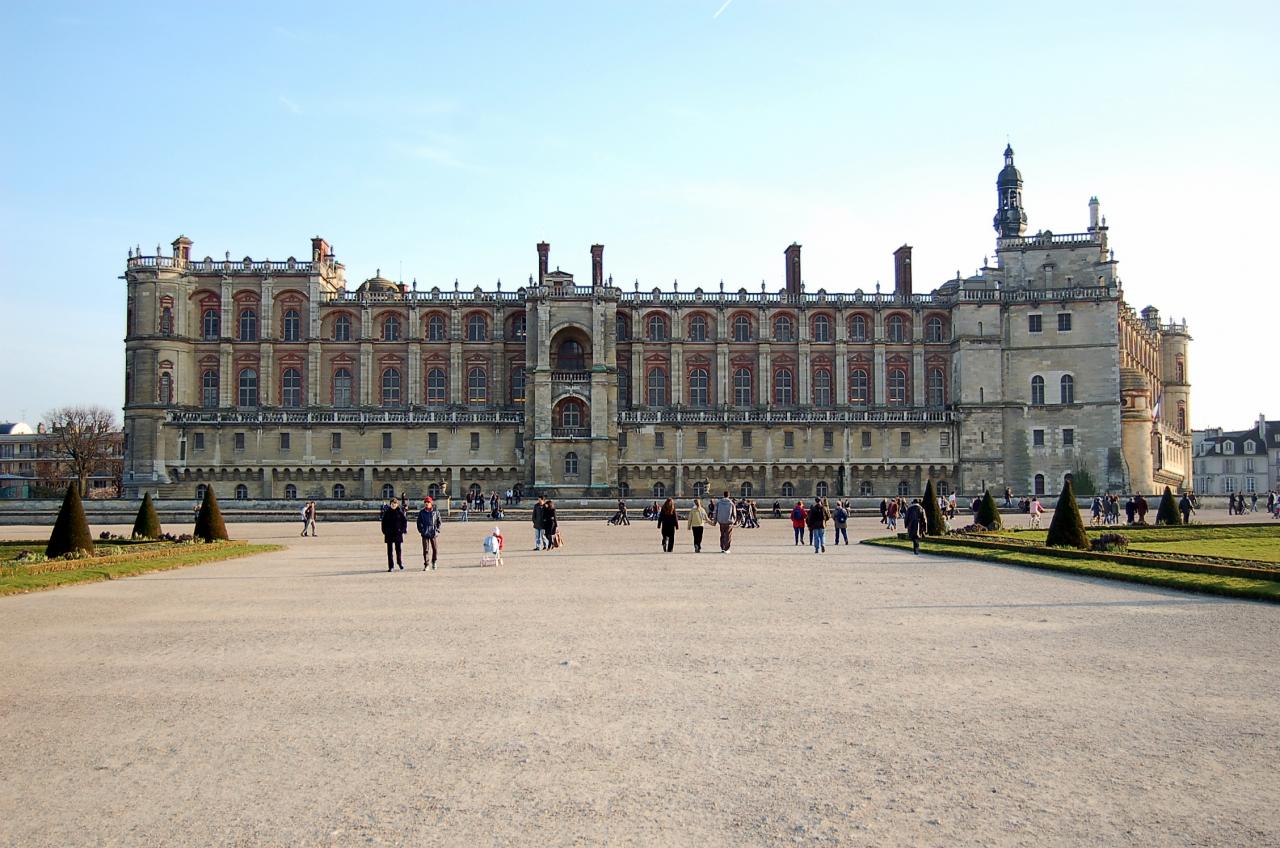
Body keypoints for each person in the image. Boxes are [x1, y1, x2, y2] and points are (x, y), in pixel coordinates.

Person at [381, 497, 407, 571]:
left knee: (398, 550)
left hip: (398, 533)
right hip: (389, 534)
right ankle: (391, 566)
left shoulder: (400, 512)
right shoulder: (387, 512)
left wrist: (402, 530)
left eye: (395, 504)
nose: (393, 505)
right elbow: (383, 523)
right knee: (390, 551)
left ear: (397, 504)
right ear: (390, 504)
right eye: (392, 504)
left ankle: (399, 562)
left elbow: (404, 522)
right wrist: (384, 531)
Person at [417, 497, 442, 570]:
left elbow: (439, 522)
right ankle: (426, 564)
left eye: (428, 502)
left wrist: (437, 530)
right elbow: (419, 522)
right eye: (425, 502)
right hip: (425, 532)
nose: (426, 504)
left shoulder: (436, 512)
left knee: (435, 549)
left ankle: (434, 561)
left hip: (433, 532)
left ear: (431, 503)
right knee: (426, 549)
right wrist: (421, 530)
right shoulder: (421, 512)